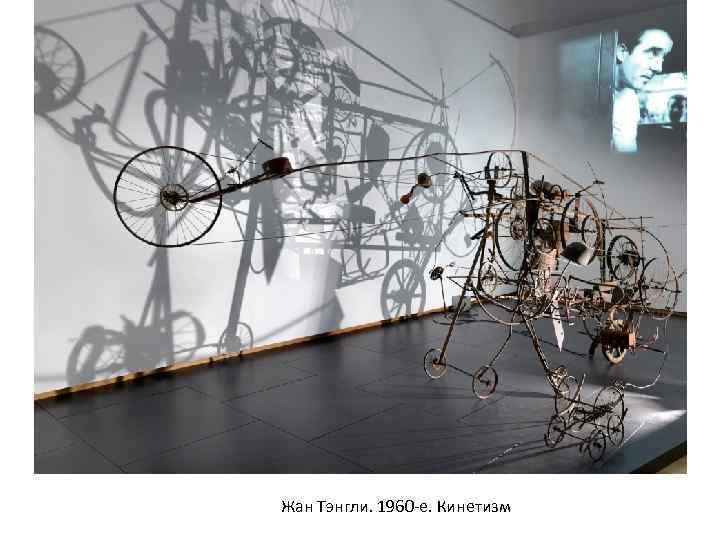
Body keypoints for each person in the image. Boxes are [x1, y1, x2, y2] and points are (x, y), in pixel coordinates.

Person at [612, 27, 673, 153]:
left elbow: (626, 152)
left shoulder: (629, 99)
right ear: (622, 52)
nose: (659, 68)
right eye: (652, 54)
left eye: (662, 58)